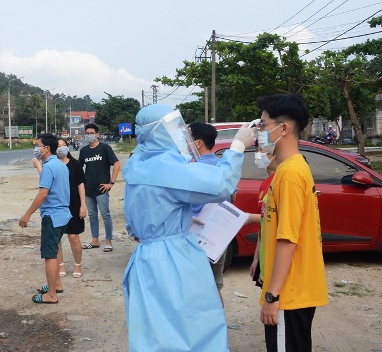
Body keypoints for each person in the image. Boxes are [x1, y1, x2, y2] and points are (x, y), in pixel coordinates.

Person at [122, 104, 256, 351]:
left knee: (154, 330)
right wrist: (237, 146)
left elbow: (134, 221)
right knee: (192, 325)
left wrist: (172, 220)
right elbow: (220, 185)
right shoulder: (166, 167)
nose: (181, 133)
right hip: (174, 258)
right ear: (161, 130)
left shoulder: (139, 163)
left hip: (146, 256)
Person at [256, 94, 328, 352]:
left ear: (283, 128)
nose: (259, 132)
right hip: (293, 290)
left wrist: (272, 296)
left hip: (290, 293)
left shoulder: (290, 174)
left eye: (263, 125)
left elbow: (288, 238)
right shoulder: (289, 169)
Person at [19, 133, 71, 304]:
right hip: (63, 215)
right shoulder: (60, 164)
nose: (36, 148)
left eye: (38, 145)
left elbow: (43, 194)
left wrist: (27, 214)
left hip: (52, 216)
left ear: (47, 148)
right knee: (54, 250)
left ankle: (51, 295)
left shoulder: (48, 167)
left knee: (50, 255)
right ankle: (56, 284)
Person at [33, 137, 87, 279]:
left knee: (73, 236)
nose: (61, 148)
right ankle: (60, 265)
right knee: (57, 240)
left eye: (63, 145)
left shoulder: (73, 165)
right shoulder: (55, 165)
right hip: (59, 205)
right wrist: (39, 167)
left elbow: (80, 184)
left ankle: (77, 264)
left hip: (72, 204)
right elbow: (48, 182)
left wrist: (83, 204)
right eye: (59, 146)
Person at [188, 122, 227, 305]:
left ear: (198, 143)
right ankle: (219, 329)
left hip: (196, 239)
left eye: (188, 138)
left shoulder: (193, 170)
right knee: (214, 287)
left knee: (195, 289)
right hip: (219, 239)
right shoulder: (222, 168)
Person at [78, 123, 121, 252]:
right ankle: (95, 240)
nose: (89, 135)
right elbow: (79, 168)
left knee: (105, 215)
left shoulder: (105, 148)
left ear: (97, 134)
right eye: (87, 133)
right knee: (92, 215)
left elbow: (117, 164)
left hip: (102, 189)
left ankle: (108, 241)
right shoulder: (84, 151)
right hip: (88, 189)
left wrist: (111, 182)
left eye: (92, 133)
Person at [248, 139, 278, 288]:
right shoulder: (265, 183)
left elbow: (273, 219)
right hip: (264, 255)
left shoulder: (279, 182)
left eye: (263, 151)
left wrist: (248, 218)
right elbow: (263, 228)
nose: (258, 155)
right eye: (257, 150)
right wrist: (256, 259)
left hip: (275, 257)